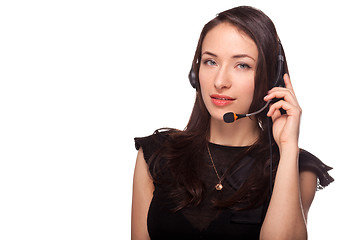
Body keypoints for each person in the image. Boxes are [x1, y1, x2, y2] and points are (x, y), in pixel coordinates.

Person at [132, 6, 333, 240]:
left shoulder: (297, 167)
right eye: (210, 62)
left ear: (271, 77)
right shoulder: (158, 154)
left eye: (242, 65)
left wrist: (288, 149)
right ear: (195, 74)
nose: (220, 81)